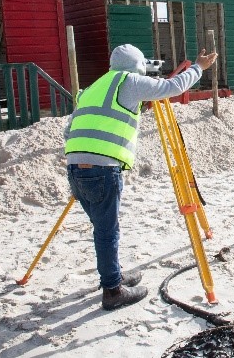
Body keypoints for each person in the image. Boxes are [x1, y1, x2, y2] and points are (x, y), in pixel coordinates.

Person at [64, 44, 217, 311]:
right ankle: (113, 291)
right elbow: (173, 87)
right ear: (137, 66)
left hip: (76, 168)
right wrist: (199, 68)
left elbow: (72, 129)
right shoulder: (130, 81)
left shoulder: (92, 89)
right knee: (106, 231)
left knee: (103, 228)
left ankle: (114, 275)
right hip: (102, 169)